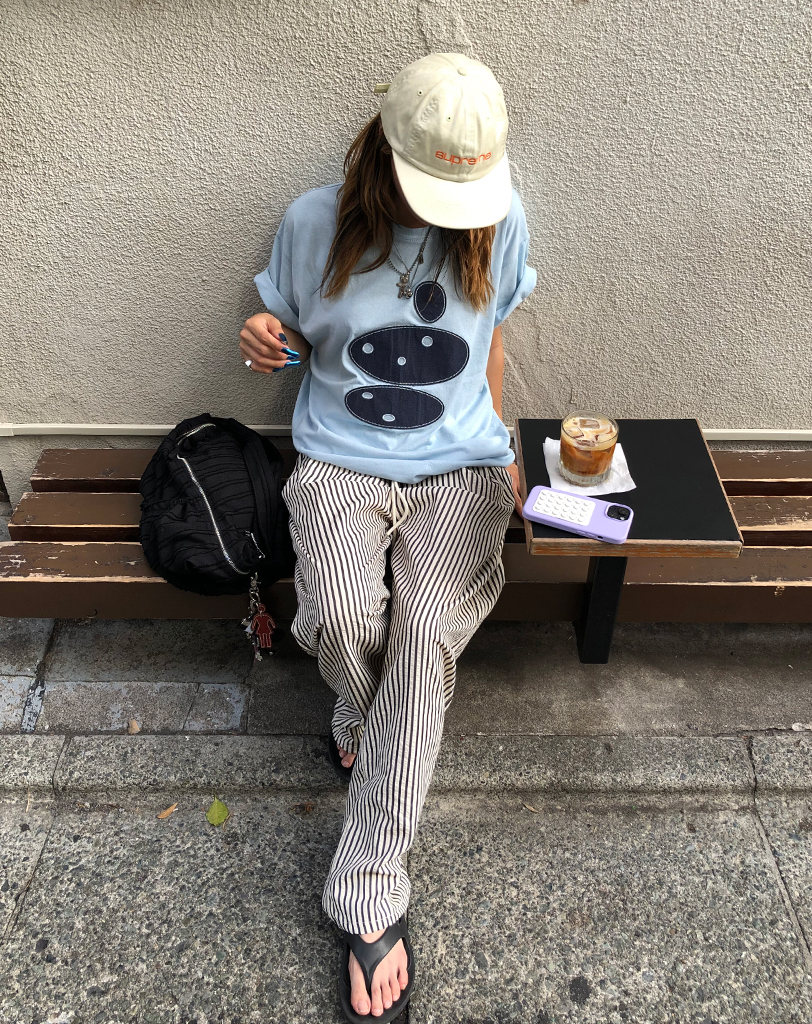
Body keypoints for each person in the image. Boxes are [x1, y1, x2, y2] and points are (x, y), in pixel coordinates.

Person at [240, 52, 536, 1022]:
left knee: (424, 634)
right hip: (340, 459)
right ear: (384, 150)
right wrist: (262, 336)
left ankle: (368, 889)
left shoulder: (500, 217)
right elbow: (281, 330)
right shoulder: (312, 222)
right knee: (339, 615)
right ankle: (373, 725)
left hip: (462, 469)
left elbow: (491, 335)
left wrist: (499, 442)